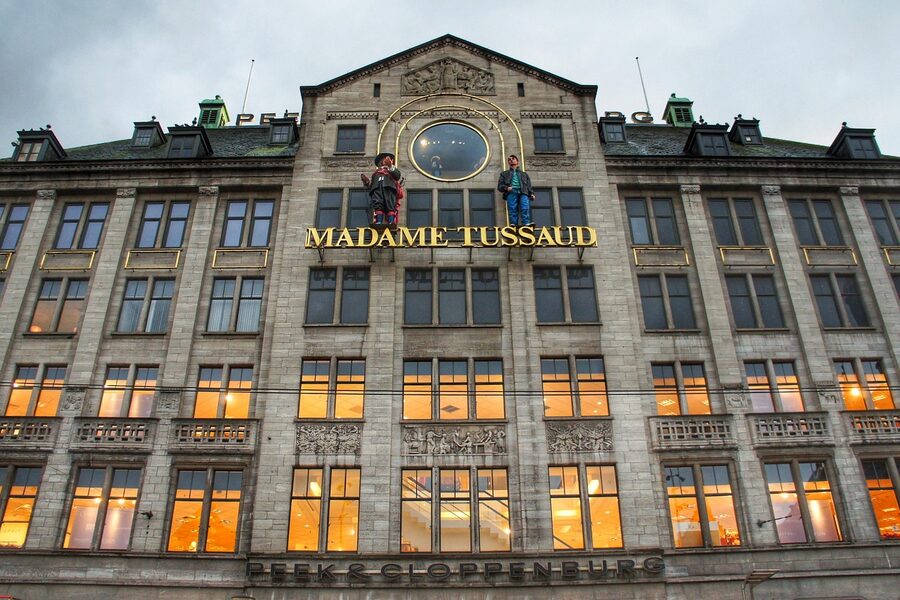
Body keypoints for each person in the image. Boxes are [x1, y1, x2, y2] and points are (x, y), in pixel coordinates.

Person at [361, 152, 402, 226]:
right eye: (383, 160)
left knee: (390, 205)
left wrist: (390, 166)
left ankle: (391, 221)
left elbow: (397, 176)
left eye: (386, 159)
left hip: (388, 188)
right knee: (378, 204)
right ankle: (378, 221)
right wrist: (367, 182)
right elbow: (371, 186)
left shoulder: (391, 170)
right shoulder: (376, 173)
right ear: (380, 162)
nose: (384, 161)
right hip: (377, 189)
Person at [497, 154, 534, 227]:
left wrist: (531, 193)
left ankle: (526, 223)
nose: (511, 160)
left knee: (525, 207)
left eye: (513, 158)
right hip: (512, 191)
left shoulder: (524, 174)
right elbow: (499, 186)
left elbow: (529, 185)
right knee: (512, 208)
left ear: (517, 161)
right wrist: (506, 188)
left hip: (523, 191)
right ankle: (514, 223)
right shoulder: (504, 174)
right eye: (509, 159)